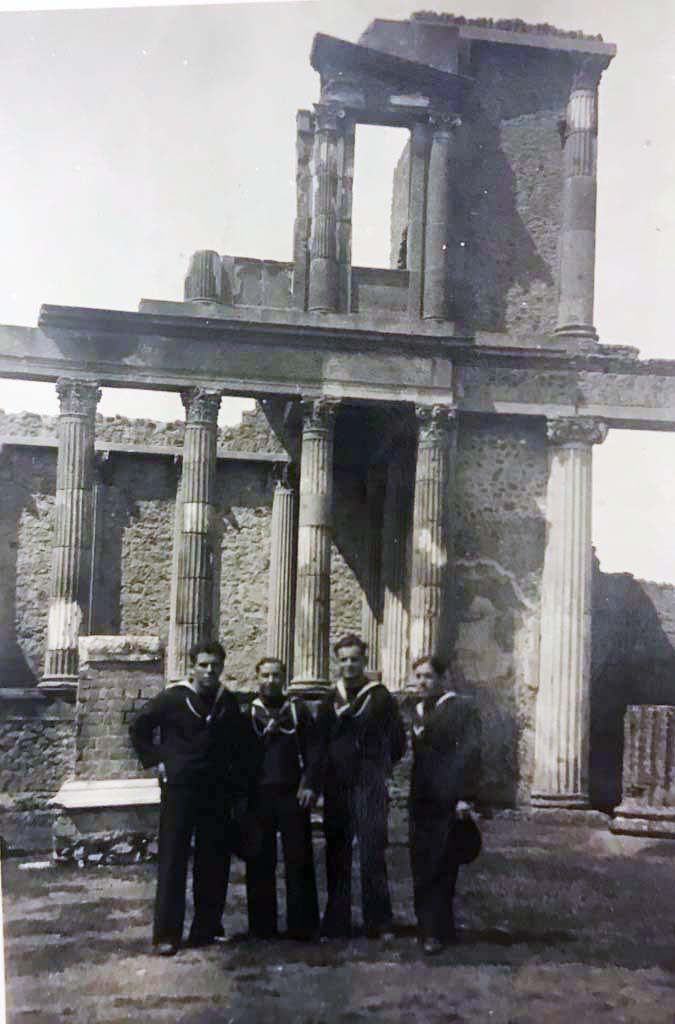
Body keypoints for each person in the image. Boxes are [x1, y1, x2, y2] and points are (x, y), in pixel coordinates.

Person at [129, 640, 259, 956]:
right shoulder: (174, 698)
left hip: (216, 791)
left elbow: (240, 745)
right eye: (203, 665)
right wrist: (157, 760)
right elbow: (139, 727)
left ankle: (207, 928)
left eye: (215, 665)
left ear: (222, 667)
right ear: (192, 667)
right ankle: (167, 934)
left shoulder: (227, 702)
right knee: (173, 859)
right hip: (180, 789)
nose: (209, 670)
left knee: (213, 860)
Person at [320, 633, 406, 939]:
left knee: (372, 852)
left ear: (364, 661)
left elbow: (397, 741)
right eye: (343, 659)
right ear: (337, 662)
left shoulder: (380, 697)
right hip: (338, 786)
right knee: (337, 852)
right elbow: (320, 744)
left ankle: (379, 921)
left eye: (354, 659)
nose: (349, 665)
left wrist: (378, 767)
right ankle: (337, 920)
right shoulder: (330, 700)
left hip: (369, 785)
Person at [408, 655, 482, 955]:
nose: (422, 682)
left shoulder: (461, 709)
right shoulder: (416, 711)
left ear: (442, 678)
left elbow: (471, 753)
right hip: (420, 799)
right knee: (421, 862)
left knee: (442, 863)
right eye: (418, 677)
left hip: (448, 799)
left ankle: (434, 931)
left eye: (428, 676)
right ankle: (432, 926)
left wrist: (465, 795)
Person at [244, 657, 322, 941]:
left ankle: (303, 926)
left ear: (284, 678)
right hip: (259, 795)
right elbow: (239, 759)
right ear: (257, 678)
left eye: (276, 675)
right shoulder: (249, 713)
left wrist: (310, 783)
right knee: (259, 859)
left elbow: (314, 750)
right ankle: (262, 927)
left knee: (298, 858)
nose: (271, 680)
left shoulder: (297, 710)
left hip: (292, 792)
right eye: (265, 675)